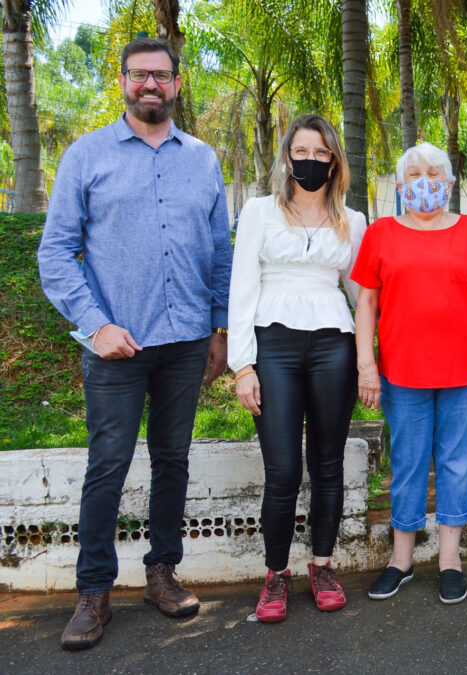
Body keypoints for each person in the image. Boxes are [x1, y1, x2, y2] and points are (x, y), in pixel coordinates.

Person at [37, 38, 232, 650]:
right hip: (115, 346)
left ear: (178, 83)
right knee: (108, 466)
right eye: (140, 74)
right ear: (122, 80)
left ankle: (161, 574)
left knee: (173, 459)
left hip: (186, 342)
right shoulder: (86, 156)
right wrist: (96, 325)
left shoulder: (202, 159)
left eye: (163, 75)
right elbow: (55, 253)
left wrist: (220, 327)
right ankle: (93, 593)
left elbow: (219, 252)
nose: (152, 84)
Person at [352, 142, 467, 605]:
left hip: (465, 370)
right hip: (402, 372)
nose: (426, 181)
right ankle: (401, 561)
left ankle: (450, 560)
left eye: (435, 173)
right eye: (415, 173)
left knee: (457, 463)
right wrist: (367, 366)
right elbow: (366, 302)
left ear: (450, 182)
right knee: (407, 464)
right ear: (400, 185)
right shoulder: (381, 233)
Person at [228, 114, 366, 622]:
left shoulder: (354, 221)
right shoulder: (260, 212)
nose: (312, 161)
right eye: (302, 152)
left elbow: (361, 298)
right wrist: (243, 365)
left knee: (327, 466)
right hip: (275, 347)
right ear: (287, 157)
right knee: (283, 469)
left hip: (335, 346)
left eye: (322, 153)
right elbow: (241, 290)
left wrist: (370, 357)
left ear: (334, 162)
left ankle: (323, 566)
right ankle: (276, 575)